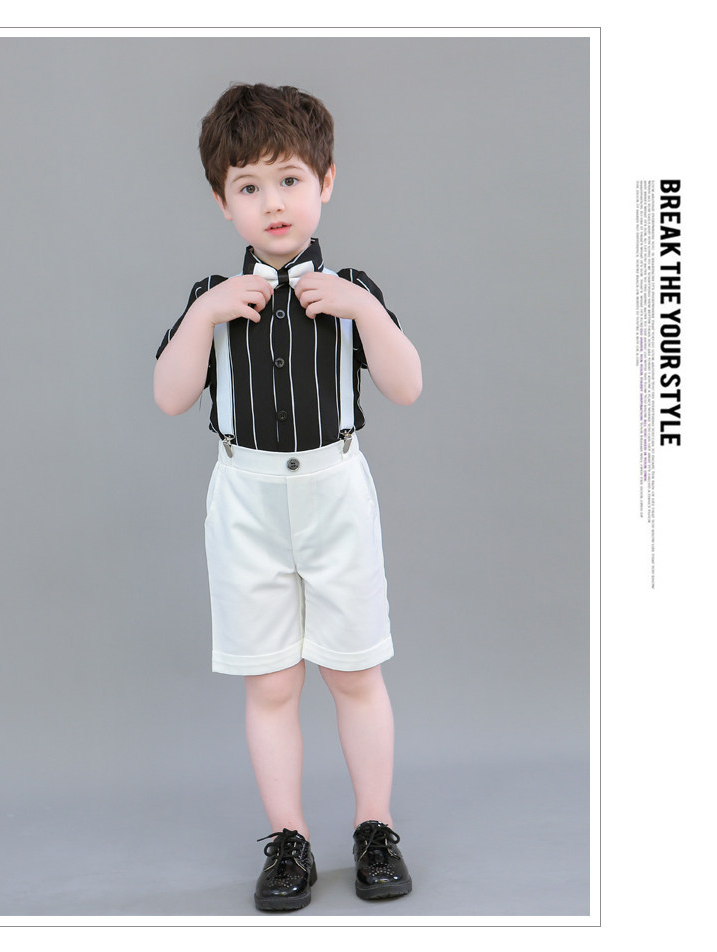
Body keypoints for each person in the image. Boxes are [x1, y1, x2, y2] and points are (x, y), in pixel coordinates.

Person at [153, 83, 422, 912]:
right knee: (270, 683)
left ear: (326, 182)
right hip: (248, 498)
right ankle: (289, 838)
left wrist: (364, 310)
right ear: (222, 200)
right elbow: (169, 396)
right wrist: (202, 318)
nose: (272, 203)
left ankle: (374, 826)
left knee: (354, 670)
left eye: (290, 179)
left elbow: (407, 385)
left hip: (335, 491)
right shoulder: (211, 297)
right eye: (249, 186)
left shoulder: (352, 290)